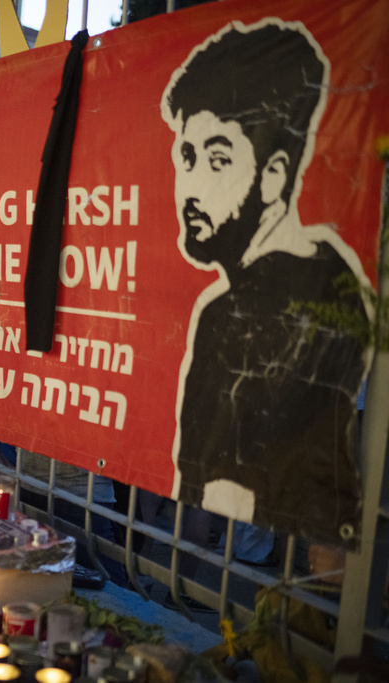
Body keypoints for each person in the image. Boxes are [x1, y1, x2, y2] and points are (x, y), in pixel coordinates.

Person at [162, 20, 369, 543]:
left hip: (238, 584)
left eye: (218, 160)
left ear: (275, 175)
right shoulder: (249, 295)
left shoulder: (280, 301)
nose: (192, 187)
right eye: (187, 157)